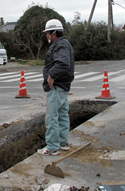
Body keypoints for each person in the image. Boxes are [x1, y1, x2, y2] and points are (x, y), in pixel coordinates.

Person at [37, 19, 75, 156]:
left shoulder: (59, 45)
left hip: (57, 86)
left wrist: (51, 76)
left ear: (53, 33)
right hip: (64, 86)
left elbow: (63, 63)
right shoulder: (65, 44)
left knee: (52, 116)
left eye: (47, 33)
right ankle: (63, 143)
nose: (46, 35)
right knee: (63, 114)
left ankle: (52, 147)